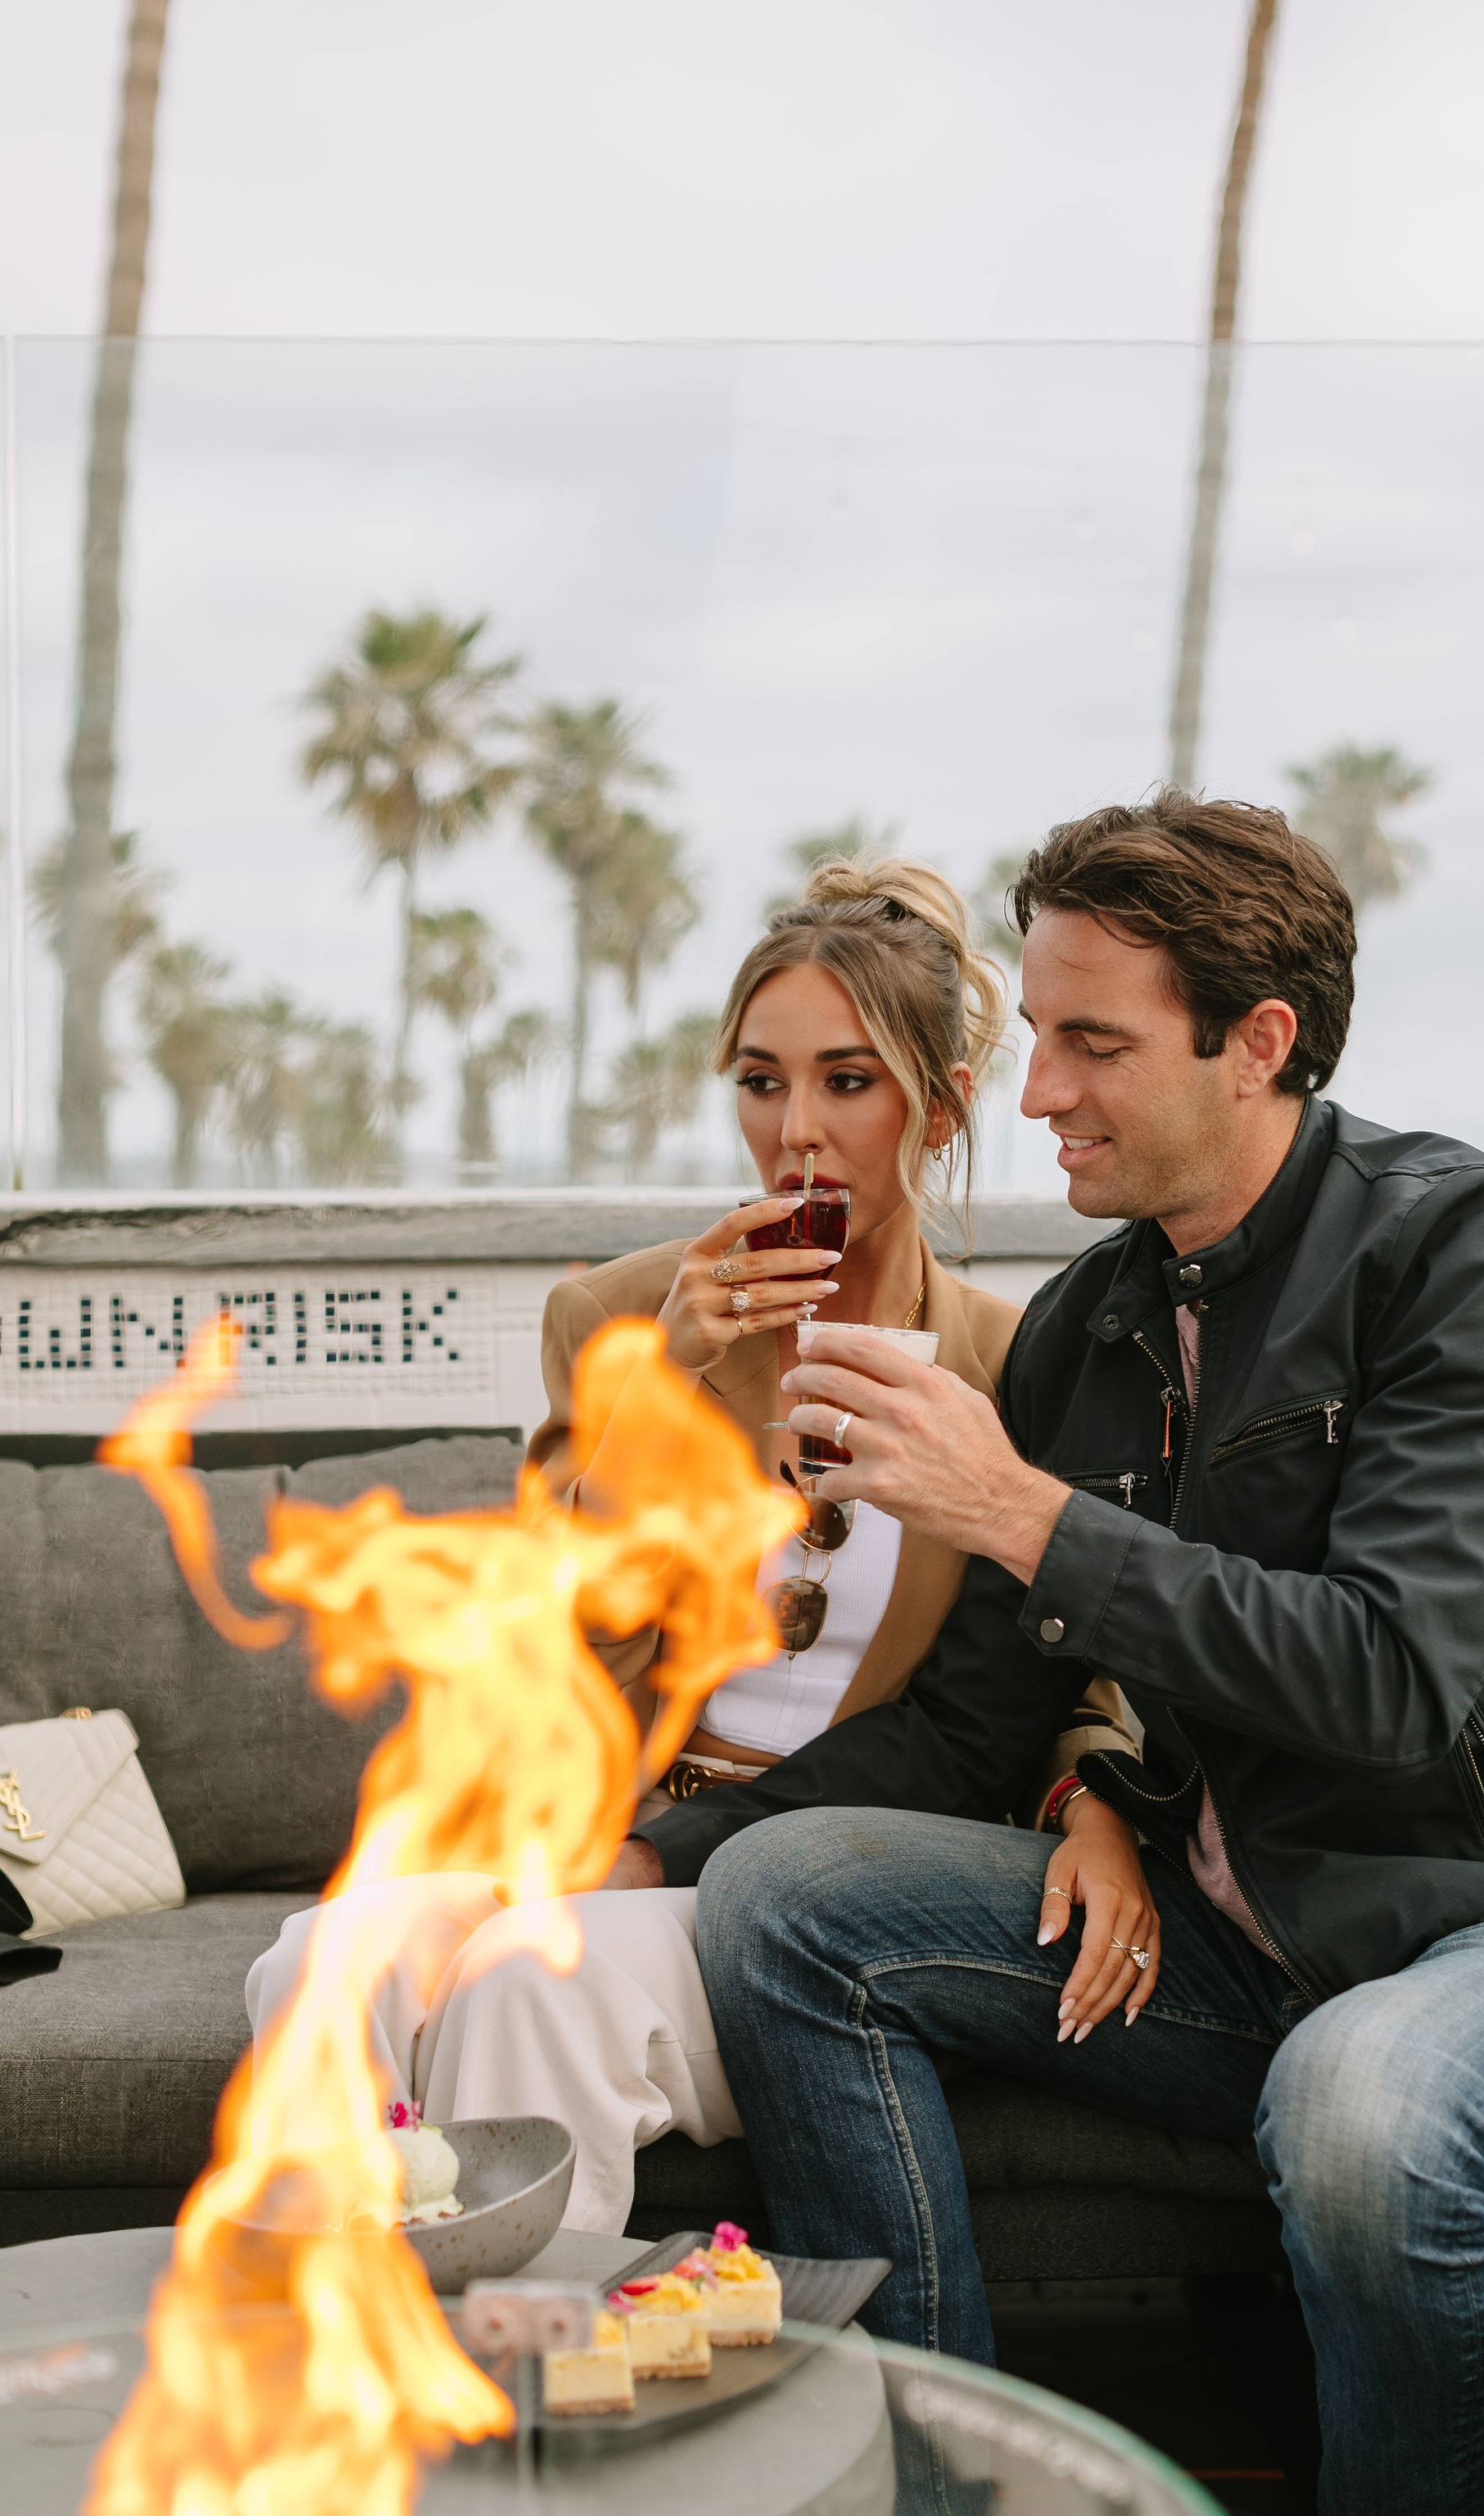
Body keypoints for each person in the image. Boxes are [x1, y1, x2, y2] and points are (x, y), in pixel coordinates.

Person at [683, 793, 1484, 2516]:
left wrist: (1016, 1510)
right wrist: (625, 1845)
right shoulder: (1099, 1320)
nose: (1036, 1089)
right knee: (787, 1899)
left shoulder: (1479, 1257)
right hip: (1253, 1936)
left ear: (1256, 1044)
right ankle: (946, 2489)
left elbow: (1389, 1678)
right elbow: (964, 1734)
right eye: (1039, 1035)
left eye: (1089, 1043)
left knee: (1363, 2101)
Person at [247, 855, 1137, 2231]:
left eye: (849, 1081)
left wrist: (1096, 1805)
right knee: (325, 1963)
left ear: (944, 1107)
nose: (796, 1130)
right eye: (760, 1079)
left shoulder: (1019, 1367)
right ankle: (340, 2371)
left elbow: (1071, 1666)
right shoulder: (617, 1317)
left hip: (821, 1866)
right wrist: (648, 1400)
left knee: (530, 1990)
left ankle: (519, 2395)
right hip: (604, 1820)